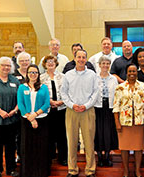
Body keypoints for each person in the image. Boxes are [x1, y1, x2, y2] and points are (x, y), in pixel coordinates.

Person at [61, 49, 99, 177]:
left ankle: (90, 170)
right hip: (72, 111)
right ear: (75, 58)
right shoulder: (68, 75)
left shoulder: (92, 75)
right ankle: (72, 169)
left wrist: (86, 106)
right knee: (71, 141)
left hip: (88, 111)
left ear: (86, 59)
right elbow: (63, 93)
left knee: (89, 142)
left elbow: (95, 93)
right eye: (79, 57)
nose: (81, 59)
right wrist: (72, 105)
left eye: (83, 57)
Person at [113, 63, 144, 177]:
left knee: (138, 148)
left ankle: (137, 170)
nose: (132, 73)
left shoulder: (143, 86)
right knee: (124, 148)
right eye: (130, 71)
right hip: (124, 122)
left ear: (137, 73)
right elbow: (116, 107)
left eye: (134, 71)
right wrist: (117, 123)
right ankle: (126, 171)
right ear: (126, 73)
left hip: (139, 122)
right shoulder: (120, 87)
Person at [17, 64, 50, 177]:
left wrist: (35, 114)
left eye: (35, 72)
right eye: (31, 72)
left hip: (42, 120)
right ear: (27, 74)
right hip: (26, 121)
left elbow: (46, 104)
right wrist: (30, 118)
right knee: (27, 147)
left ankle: (40, 172)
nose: (33, 74)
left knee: (41, 147)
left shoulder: (43, 87)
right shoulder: (22, 87)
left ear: (38, 74)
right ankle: (28, 172)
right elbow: (20, 104)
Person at [40, 55, 68, 166]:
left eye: (53, 61)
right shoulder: (41, 78)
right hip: (47, 110)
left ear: (56, 64)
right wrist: (50, 101)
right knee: (48, 134)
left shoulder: (63, 76)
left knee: (62, 134)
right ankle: (50, 156)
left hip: (62, 108)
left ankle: (63, 158)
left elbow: (67, 91)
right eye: (48, 62)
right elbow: (40, 94)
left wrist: (61, 102)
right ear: (44, 64)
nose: (51, 63)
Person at [94, 56, 118, 167]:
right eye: (103, 63)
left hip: (109, 107)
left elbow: (117, 94)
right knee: (98, 131)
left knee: (108, 131)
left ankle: (107, 155)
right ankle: (99, 155)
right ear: (99, 65)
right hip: (97, 107)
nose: (105, 66)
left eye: (107, 63)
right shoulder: (94, 78)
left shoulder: (113, 79)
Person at [13, 51, 32, 163]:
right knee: (19, 134)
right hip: (19, 110)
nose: (24, 63)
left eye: (26, 60)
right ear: (18, 62)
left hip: (33, 110)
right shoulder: (14, 75)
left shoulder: (33, 73)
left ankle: (30, 154)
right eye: (22, 60)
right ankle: (20, 154)